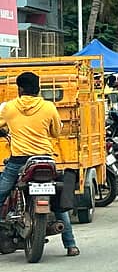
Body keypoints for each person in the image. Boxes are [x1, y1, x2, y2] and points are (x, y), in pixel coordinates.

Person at [0, 72, 79, 256]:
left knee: (1, 194)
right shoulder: (48, 107)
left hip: (19, 161)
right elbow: (56, 132)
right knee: (59, 202)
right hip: (45, 160)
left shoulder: (9, 108)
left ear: (20, 89)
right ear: (38, 88)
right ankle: (71, 245)